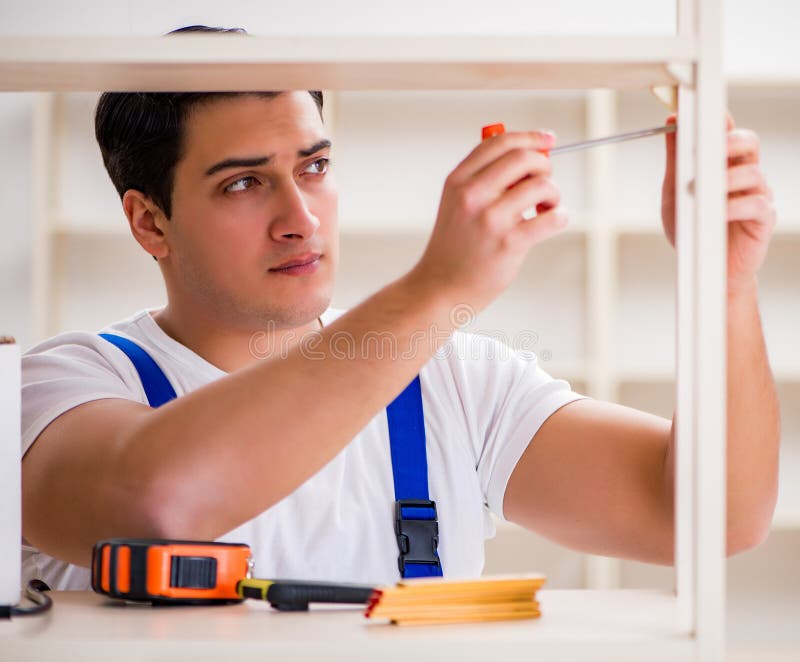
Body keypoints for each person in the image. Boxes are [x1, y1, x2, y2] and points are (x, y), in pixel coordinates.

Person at [20, 27, 779, 591]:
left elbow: (712, 514)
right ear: (149, 221)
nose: (301, 219)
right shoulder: (58, 389)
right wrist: (442, 288)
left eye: (313, 168)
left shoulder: (458, 383)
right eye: (244, 184)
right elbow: (157, 501)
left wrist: (725, 291)